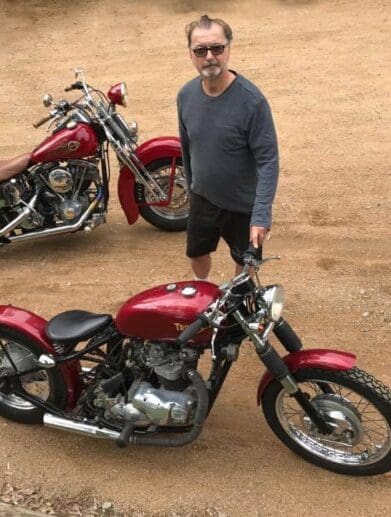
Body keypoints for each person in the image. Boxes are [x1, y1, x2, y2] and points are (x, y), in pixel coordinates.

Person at [177, 14, 279, 280]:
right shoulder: (186, 96)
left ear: (228, 49)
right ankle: (205, 292)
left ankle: (238, 305)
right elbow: (187, 147)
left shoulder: (252, 102)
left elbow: (268, 161)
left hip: (243, 205)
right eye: (201, 50)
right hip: (203, 197)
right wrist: (191, 189)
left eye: (217, 48)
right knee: (196, 255)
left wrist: (260, 216)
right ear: (191, 54)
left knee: (244, 265)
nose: (209, 56)